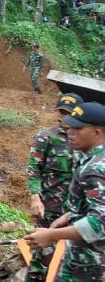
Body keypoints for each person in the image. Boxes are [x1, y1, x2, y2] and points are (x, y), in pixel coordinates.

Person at [24, 102, 105, 281]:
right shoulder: (94, 158)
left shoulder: (96, 168)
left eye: (77, 128)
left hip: (90, 264)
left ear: (96, 132)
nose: (70, 132)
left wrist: (52, 235)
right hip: (80, 253)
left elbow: (100, 221)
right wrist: (69, 216)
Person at [26, 93, 83, 282]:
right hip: (50, 209)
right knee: (42, 258)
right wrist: (35, 197)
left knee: (74, 260)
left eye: (70, 113)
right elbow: (34, 168)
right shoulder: (46, 137)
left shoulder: (85, 141)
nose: (65, 117)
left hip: (77, 211)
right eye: (62, 112)